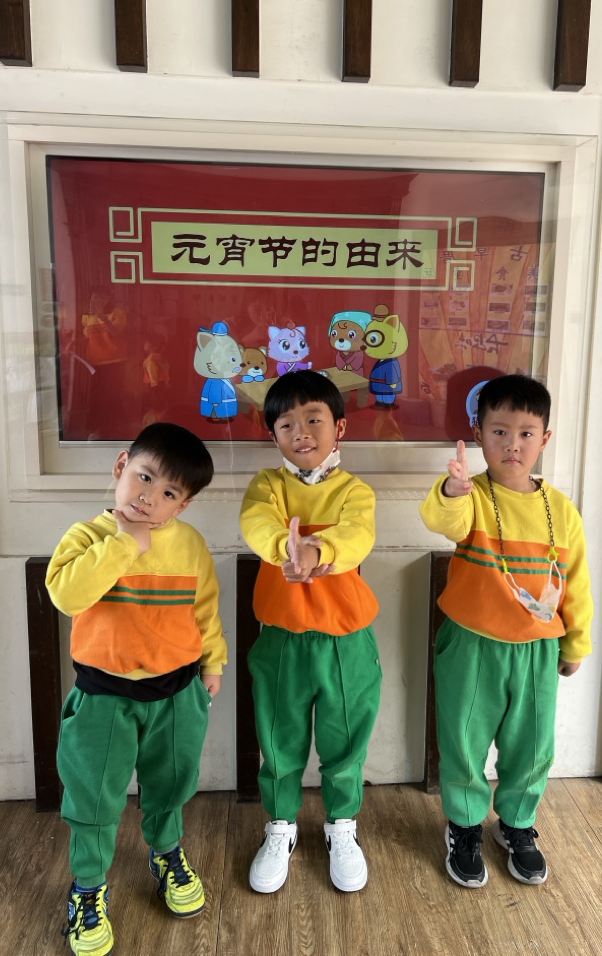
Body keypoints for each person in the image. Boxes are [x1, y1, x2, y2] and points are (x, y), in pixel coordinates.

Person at [47, 423, 226, 956]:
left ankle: (166, 851)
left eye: (168, 493)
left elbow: (205, 610)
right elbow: (68, 596)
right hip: (103, 697)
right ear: (121, 465)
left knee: (172, 781)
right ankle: (87, 887)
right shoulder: (86, 537)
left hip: (177, 694)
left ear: (184, 505)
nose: (150, 498)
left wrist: (213, 662)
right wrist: (125, 543)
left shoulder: (189, 546)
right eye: (144, 478)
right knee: (93, 795)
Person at [419, 375, 593, 889]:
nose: (512, 445)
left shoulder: (562, 511)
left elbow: (577, 581)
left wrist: (576, 642)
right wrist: (452, 490)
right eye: (498, 432)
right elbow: (443, 521)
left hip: (537, 649)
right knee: (463, 739)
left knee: (532, 744)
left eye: (525, 433)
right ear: (478, 435)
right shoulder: (471, 496)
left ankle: (517, 823)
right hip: (471, 644)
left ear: (545, 438)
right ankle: (464, 825)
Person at [240, 370, 381, 894]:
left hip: (346, 638)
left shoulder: (355, 491)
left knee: (346, 738)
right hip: (281, 638)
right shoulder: (267, 486)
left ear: (339, 427)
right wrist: (286, 548)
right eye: (286, 424)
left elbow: (357, 535)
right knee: (279, 738)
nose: (301, 432)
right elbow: (258, 524)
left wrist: (317, 551)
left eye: (313, 419)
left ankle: (342, 824)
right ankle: (280, 824)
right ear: (273, 435)